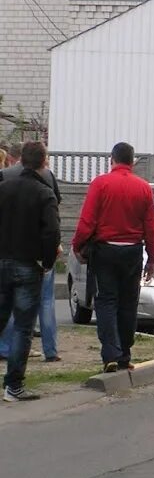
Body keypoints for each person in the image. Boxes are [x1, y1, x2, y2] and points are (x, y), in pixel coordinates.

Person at [72, 142, 154, 373]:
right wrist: (152, 258)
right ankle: (125, 354)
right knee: (128, 303)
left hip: (105, 251)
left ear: (112, 159)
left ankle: (110, 352)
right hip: (132, 251)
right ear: (132, 161)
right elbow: (150, 226)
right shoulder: (144, 188)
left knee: (106, 301)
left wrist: (77, 245)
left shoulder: (100, 184)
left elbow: (87, 220)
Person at [0, 142, 60, 402]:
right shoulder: (44, 193)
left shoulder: (3, 188)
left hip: (1, 261)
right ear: (43, 162)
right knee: (23, 327)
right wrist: (47, 262)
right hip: (28, 264)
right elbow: (51, 233)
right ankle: (13, 385)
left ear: (21, 160)